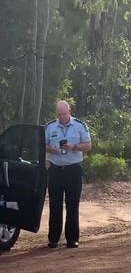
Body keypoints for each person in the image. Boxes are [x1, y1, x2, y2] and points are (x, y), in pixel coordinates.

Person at [44, 101, 91, 248]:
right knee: (55, 205)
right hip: (56, 170)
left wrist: (74, 147)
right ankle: (53, 239)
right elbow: (41, 145)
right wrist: (50, 149)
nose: (62, 117)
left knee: (72, 205)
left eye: (64, 114)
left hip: (73, 170)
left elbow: (88, 145)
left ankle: (72, 239)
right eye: (59, 114)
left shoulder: (79, 125)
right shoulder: (50, 127)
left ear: (69, 111)